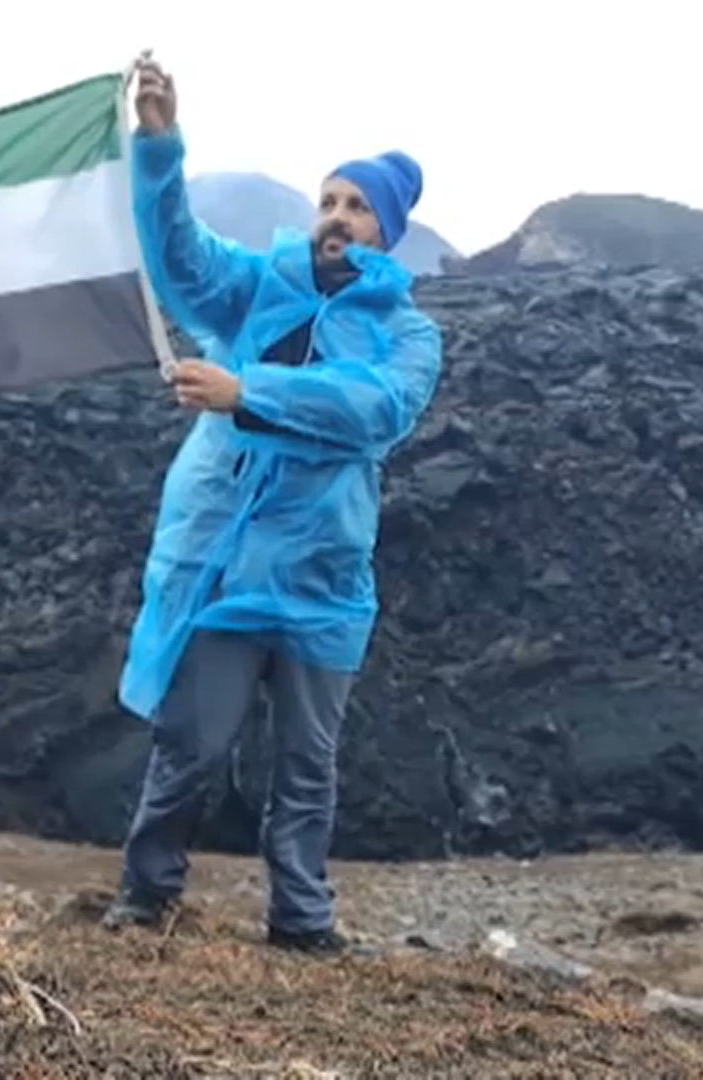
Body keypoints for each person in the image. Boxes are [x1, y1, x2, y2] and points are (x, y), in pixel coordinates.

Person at [102, 55, 445, 956]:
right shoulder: (261, 284)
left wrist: (244, 391)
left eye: (356, 206)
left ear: (387, 230)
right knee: (192, 744)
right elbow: (176, 257)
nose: (336, 217)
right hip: (224, 568)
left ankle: (301, 920)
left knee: (307, 763)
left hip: (324, 582)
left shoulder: (409, 335)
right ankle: (145, 895)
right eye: (328, 200)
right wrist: (160, 143)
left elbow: (372, 410)